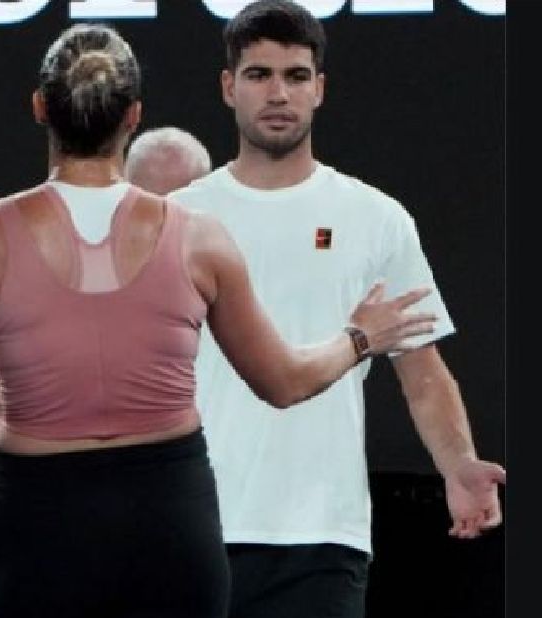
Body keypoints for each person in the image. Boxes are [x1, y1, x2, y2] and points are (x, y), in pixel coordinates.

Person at [0, 22, 437, 618]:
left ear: (41, 107)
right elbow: (284, 382)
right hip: (171, 528)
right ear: (133, 116)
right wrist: (360, 337)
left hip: (45, 531)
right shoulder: (200, 238)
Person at [165, 2, 507, 617]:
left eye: (296, 76)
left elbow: (422, 372)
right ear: (228, 87)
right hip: (191, 530)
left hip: (323, 537)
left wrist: (457, 463)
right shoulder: (178, 217)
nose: (278, 93)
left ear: (319, 89)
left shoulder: (375, 218)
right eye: (259, 75)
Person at [0, 125, 214, 453]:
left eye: (180, 207)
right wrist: (22, 404)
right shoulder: (73, 294)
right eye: (152, 205)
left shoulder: (229, 279)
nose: (165, 224)